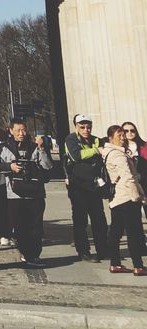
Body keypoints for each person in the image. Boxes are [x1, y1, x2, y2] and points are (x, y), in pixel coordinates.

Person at [1, 117, 53, 267]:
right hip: (15, 193)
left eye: (23, 130)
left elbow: (48, 166)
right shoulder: (5, 147)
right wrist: (10, 167)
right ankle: (26, 253)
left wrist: (42, 149)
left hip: (35, 192)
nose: (21, 133)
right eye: (17, 130)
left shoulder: (35, 146)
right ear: (11, 131)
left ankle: (34, 255)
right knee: (20, 226)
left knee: (36, 226)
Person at [62, 114, 109, 262]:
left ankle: (103, 250)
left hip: (94, 185)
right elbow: (76, 156)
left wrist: (94, 152)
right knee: (80, 220)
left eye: (88, 126)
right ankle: (83, 251)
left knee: (99, 219)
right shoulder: (71, 139)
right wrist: (96, 151)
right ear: (76, 126)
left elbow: (103, 156)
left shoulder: (97, 139)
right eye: (82, 126)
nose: (86, 129)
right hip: (78, 186)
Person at [101, 124, 147, 274]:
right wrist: (137, 196)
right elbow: (128, 177)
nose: (123, 138)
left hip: (116, 199)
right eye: (119, 135)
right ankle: (138, 266)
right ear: (110, 138)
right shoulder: (117, 154)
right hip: (127, 197)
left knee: (116, 231)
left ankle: (115, 263)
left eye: (123, 135)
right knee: (133, 232)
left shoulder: (108, 152)